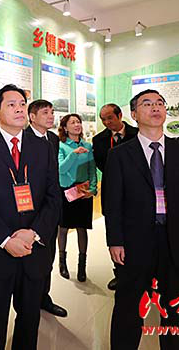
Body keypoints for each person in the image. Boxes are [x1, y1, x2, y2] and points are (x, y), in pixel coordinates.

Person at [104, 89, 179, 350]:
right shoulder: (119, 155)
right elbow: (112, 203)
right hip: (135, 242)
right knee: (129, 307)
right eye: (147, 103)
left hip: (177, 241)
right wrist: (115, 240)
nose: (155, 107)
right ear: (133, 114)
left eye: (160, 103)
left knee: (175, 309)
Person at [0, 84, 62, 350]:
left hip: (34, 250)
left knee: (29, 320)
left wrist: (33, 233)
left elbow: (54, 196)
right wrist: (6, 240)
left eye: (22, 104)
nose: (19, 109)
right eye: (11, 104)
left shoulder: (44, 147)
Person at [24, 99, 68, 317]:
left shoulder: (52, 138)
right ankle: (29, 301)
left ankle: (44, 296)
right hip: (29, 209)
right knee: (31, 259)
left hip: (50, 206)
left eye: (52, 112)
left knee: (48, 254)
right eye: (45, 112)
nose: (51, 116)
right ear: (32, 117)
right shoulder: (23, 139)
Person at [93, 103, 138, 290]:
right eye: (103, 119)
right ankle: (119, 273)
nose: (107, 122)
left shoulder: (137, 134)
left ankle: (142, 272)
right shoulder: (99, 140)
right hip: (112, 191)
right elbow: (101, 164)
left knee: (139, 234)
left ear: (120, 115)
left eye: (110, 118)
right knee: (115, 234)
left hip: (137, 192)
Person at [56, 113, 97, 283]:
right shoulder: (61, 146)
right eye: (72, 122)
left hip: (83, 192)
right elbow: (61, 169)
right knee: (63, 228)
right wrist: (74, 153)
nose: (77, 125)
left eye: (78, 122)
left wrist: (93, 189)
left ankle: (82, 266)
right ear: (65, 128)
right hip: (66, 191)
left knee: (82, 228)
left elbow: (92, 169)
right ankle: (62, 263)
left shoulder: (88, 145)